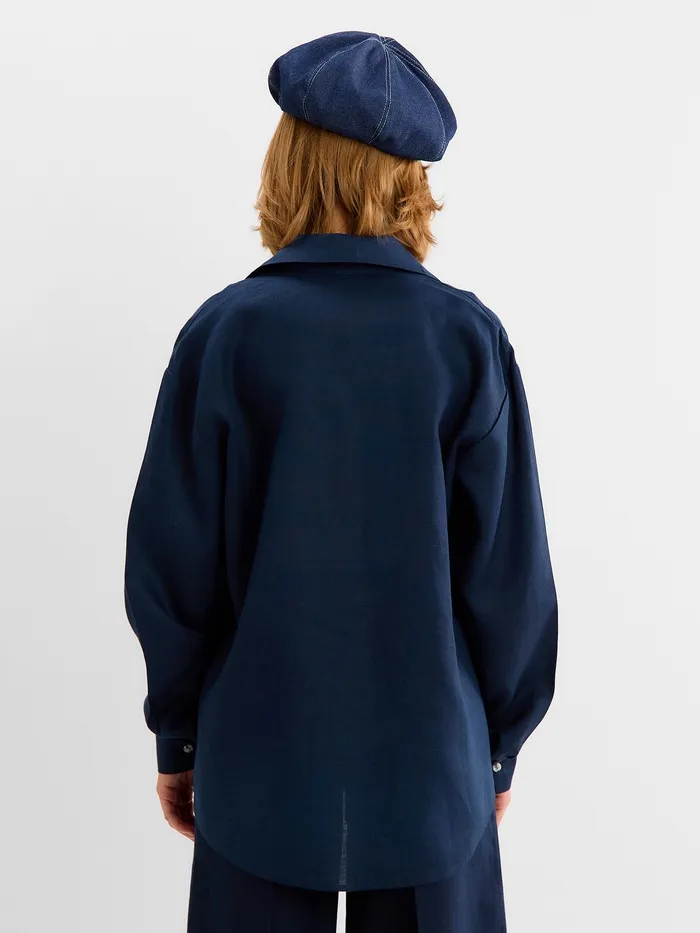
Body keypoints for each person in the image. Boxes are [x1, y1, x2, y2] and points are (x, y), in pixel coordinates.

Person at [124, 30, 558, 933]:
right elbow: (510, 579)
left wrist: (180, 735)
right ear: (410, 181)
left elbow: (172, 566)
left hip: (258, 762)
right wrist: (497, 753)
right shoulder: (465, 341)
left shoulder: (225, 335)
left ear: (288, 163)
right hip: (435, 771)